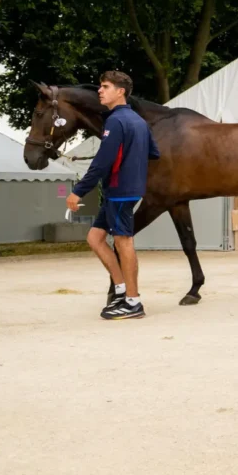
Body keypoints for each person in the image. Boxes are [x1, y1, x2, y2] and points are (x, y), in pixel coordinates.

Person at [66, 71, 160, 320]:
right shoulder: (138, 121)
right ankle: (120, 289)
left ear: (120, 92)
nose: (99, 90)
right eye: (100, 86)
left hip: (120, 190)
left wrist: (78, 191)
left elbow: (102, 162)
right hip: (124, 189)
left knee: (123, 242)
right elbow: (154, 152)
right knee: (95, 238)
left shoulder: (116, 121)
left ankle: (133, 301)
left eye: (105, 86)